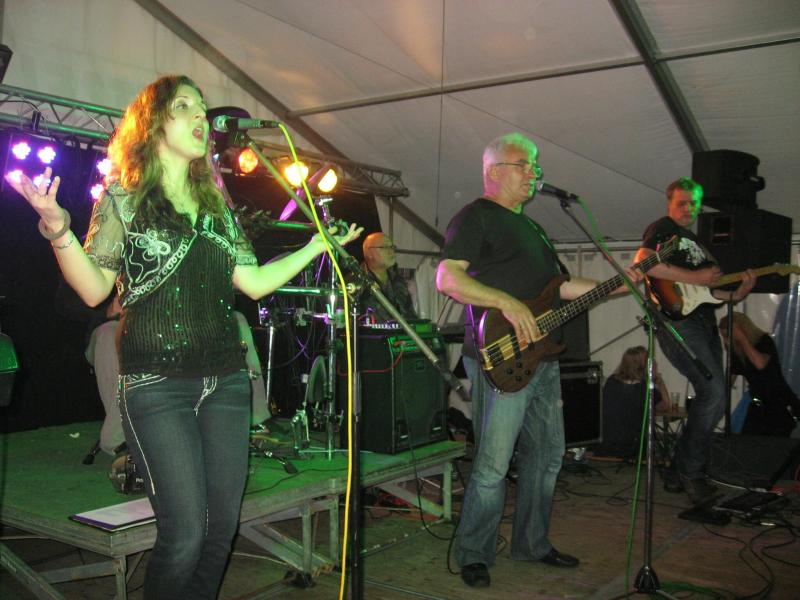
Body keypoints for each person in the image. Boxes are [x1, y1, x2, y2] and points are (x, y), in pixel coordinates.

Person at [5, 74, 361, 600]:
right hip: (157, 386)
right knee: (185, 533)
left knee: (220, 532)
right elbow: (94, 288)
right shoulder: (124, 198)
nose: (201, 117)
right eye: (185, 106)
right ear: (153, 124)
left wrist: (317, 246)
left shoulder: (217, 206)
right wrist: (58, 228)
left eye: (202, 108)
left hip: (226, 383)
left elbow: (253, 282)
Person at [436, 133, 637, 588]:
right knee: (493, 462)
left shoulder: (536, 229)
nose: (534, 173)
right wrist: (506, 302)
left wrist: (622, 284)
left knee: (547, 457)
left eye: (535, 165)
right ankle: (474, 552)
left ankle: (531, 543)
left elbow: (559, 288)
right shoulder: (475, 216)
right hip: (500, 357)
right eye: (524, 164)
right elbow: (447, 278)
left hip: (542, 358)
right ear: (494, 171)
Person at [635, 177, 755, 505]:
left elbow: (709, 294)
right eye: (682, 203)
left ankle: (678, 470)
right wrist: (694, 276)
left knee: (713, 395)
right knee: (714, 393)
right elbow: (643, 262)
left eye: (694, 203)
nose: (688, 208)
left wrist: (738, 293)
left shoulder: (697, 244)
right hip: (679, 321)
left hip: (703, 322)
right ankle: (691, 472)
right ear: (669, 203)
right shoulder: (663, 229)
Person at [719, 312, 799, 436]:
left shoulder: (764, 341)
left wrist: (743, 339)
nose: (726, 340)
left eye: (727, 336)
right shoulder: (737, 351)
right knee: (748, 439)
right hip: (758, 403)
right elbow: (730, 379)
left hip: (779, 402)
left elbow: (760, 364)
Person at [598, 346, 669, 459]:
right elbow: (665, 405)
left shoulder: (611, 381)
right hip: (633, 450)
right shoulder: (644, 388)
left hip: (607, 445)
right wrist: (660, 382)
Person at [360, 232, 417, 322]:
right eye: (384, 247)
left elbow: (411, 317)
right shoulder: (357, 283)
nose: (391, 252)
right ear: (369, 253)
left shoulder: (398, 281)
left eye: (392, 247)